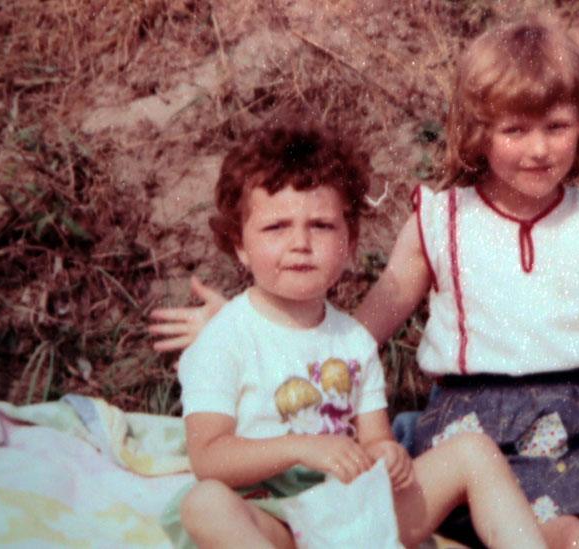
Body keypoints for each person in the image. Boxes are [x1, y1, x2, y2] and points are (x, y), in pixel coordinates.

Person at [152, 19, 579, 549]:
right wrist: (242, 326)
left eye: (555, 125)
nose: (539, 147)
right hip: (477, 421)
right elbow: (352, 329)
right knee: (569, 539)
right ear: (478, 130)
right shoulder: (441, 219)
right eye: (515, 128)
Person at [161, 123, 546, 549]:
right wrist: (301, 448)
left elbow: (375, 438)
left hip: (351, 515)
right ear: (240, 245)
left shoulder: (353, 341)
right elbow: (208, 457)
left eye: (322, 226)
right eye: (276, 228)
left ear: (349, 242)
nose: (300, 244)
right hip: (272, 517)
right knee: (205, 502)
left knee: (474, 450)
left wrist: (388, 455)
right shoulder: (224, 339)